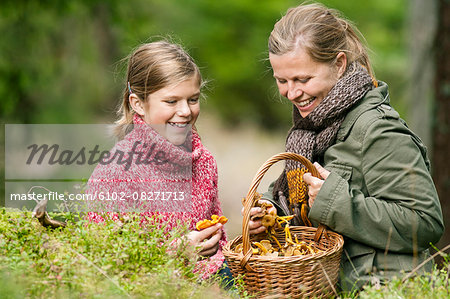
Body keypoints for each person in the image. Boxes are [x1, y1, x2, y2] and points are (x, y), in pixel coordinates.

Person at [247, 3, 444, 292]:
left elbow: (425, 223)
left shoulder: (377, 129)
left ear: (339, 64)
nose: (292, 92)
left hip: (385, 291)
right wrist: (270, 211)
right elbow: (298, 197)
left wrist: (334, 201)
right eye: (282, 80)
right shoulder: (312, 128)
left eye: (303, 79)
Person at [86, 40, 229, 281]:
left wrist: (217, 243)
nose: (185, 111)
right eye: (171, 101)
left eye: (193, 99)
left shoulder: (204, 161)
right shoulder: (117, 170)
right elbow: (102, 260)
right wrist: (175, 252)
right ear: (138, 104)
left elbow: (219, 235)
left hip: (216, 278)